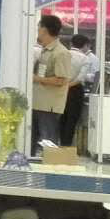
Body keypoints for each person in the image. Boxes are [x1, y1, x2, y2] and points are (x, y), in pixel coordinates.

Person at [31, 13, 75, 149]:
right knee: (32, 140)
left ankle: (51, 161)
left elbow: (60, 80)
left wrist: (35, 78)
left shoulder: (61, 53)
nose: (37, 31)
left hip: (48, 105)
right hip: (38, 102)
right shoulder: (45, 50)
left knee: (48, 140)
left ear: (44, 30)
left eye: (38, 28)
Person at [57, 33, 96, 148]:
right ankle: (66, 145)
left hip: (59, 87)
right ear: (84, 45)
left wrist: (63, 85)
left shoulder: (63, 54)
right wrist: (69, 85)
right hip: (75, 90)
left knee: (62, 117)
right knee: (72, 119)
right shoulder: (85, 59)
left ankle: (59, 142)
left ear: (71, 43)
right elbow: (80, 78)